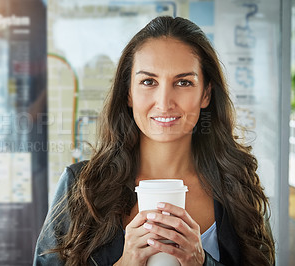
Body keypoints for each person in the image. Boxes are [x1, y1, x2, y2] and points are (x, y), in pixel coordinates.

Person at [34, 16, 275, 266]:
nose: (164, 102)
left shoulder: (238, 186)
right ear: (128, 92)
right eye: (148, 81)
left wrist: (202, 263)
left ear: (205, 94)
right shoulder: (81, 186)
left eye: (183, 82)